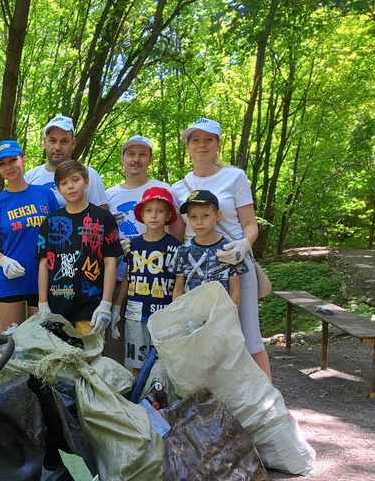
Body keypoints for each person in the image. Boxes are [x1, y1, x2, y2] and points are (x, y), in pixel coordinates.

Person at [169, 118, 271, 380]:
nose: (202, 145)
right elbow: (178, 234)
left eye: (208, 139)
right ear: (188, 147)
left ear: (217, 144)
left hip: (233, 261)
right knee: (202, 334)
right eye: (195, 140)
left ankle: (269, 403)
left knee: (247, 334)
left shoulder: (235, 176)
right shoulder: (179, 188)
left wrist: (244, 244)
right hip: (195, 267)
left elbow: (250, 224)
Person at [0, 140, 59, 330]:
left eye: (12, 160)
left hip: (43, 279)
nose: (8, 167)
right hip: (9, 281)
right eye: (2, 164)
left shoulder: (45, 194)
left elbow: (60, 232)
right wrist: (4, 261)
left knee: (42, 343)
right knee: (11, 345)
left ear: (23, 160)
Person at [37, 160, 120, 335]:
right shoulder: (49, 222)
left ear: (87, 181)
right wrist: (42, 304)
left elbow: (110, 262)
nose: (70, 186)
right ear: (58, 189)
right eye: (64, 183)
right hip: (57, 307)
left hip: (91, 306)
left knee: (90, 358)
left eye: (75, 180)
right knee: (60, 359)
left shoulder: (104, 218)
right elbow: (44, 264)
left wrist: (106, 304)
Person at [114, 187, 181, 375]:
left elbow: (179, 283)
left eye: (160, 211)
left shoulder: (176, 247)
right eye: (149, 211)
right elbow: (127, 277)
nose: (154, 216)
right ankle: (139, 401)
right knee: (136, 364)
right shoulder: (133, 245)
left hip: (164, 315)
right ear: (141, 214)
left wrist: (177, 314)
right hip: (135, 313)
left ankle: (160, 400)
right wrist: (117, 307)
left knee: (163, 363)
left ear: (168, 215)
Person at [170, 189, 246, 306]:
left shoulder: (230, 249)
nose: (199, 222)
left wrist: (230, 317)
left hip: (221, 318)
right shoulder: (182, 251)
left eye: (205, 216)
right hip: (191, 319)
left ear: (217, 215)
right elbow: (178, 289)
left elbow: (235, 290)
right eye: (193, 217)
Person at [25, 115, 108, 209]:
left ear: (73, 143)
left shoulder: (89, 175)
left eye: (64, 141)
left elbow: (101, 217)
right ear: (44, 142)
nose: (57, 147)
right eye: (52, 141)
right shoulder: (29, 178)